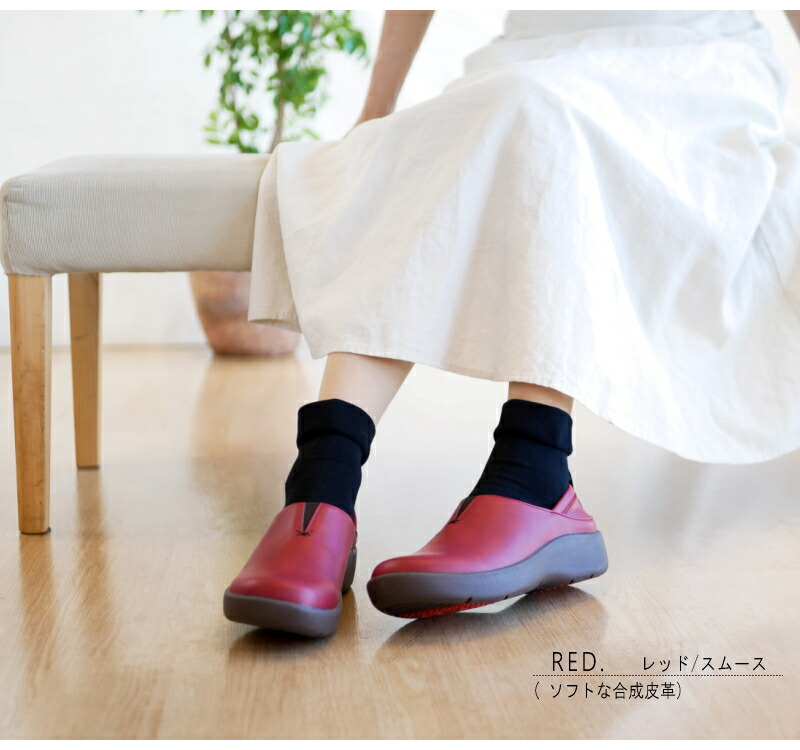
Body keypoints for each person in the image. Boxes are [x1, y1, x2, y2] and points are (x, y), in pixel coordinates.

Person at [223, 10, 800, 637]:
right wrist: (375, 110)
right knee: (429, 142)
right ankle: (324, 488)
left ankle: (534, 470)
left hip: (688, 65)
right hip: (526, 54)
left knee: (543, 114)